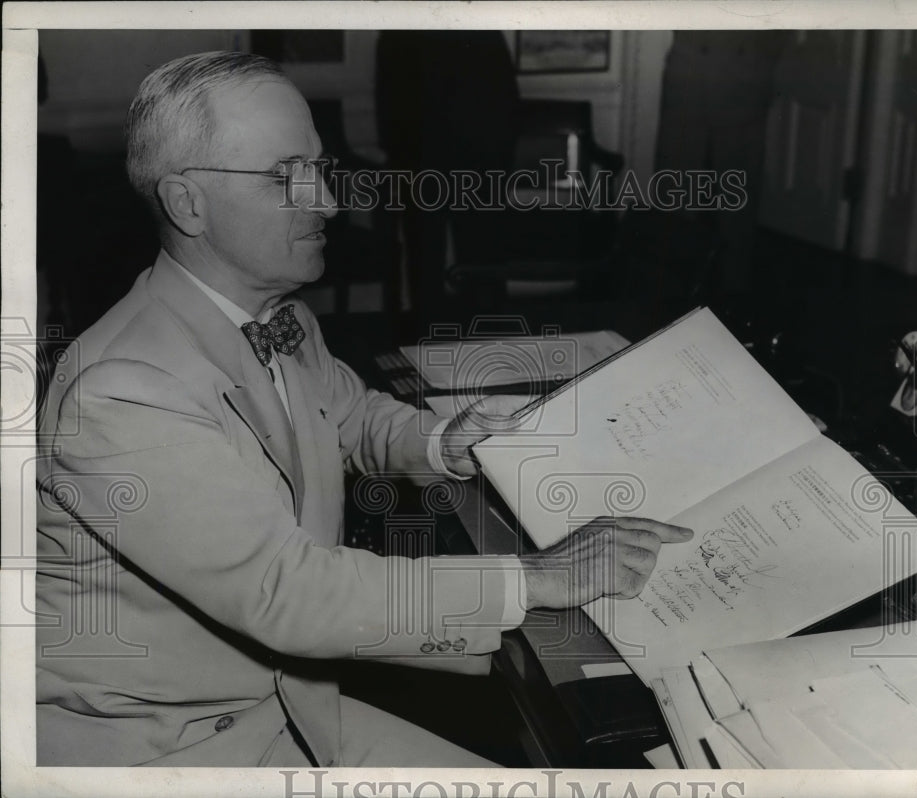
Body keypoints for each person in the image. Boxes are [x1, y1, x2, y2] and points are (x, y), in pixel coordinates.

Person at [35, 51, 692, 768]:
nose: (327, 201)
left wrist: (445, 441)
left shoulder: (272, 312)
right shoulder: (123, 389)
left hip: (289, 703)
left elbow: (350, 417)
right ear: (187, 202)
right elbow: (291, 593)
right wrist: (541, 577)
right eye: (289, 176)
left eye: (320, 169)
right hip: (165, 749)